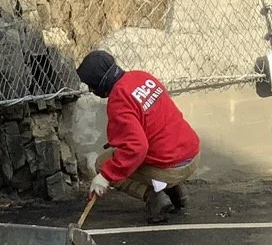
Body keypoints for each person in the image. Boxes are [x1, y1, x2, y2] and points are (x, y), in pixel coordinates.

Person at [77, 49, 200, 223]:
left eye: (91, 85)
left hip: (171, 168)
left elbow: (137, 148)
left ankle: (154, 198)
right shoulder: (141, 77)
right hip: (191, 154)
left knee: (103, 163)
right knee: (152, 146)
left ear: (101, 83)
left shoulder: (118, 100)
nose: (91, 90)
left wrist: (105, 176)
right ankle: (176, 192)